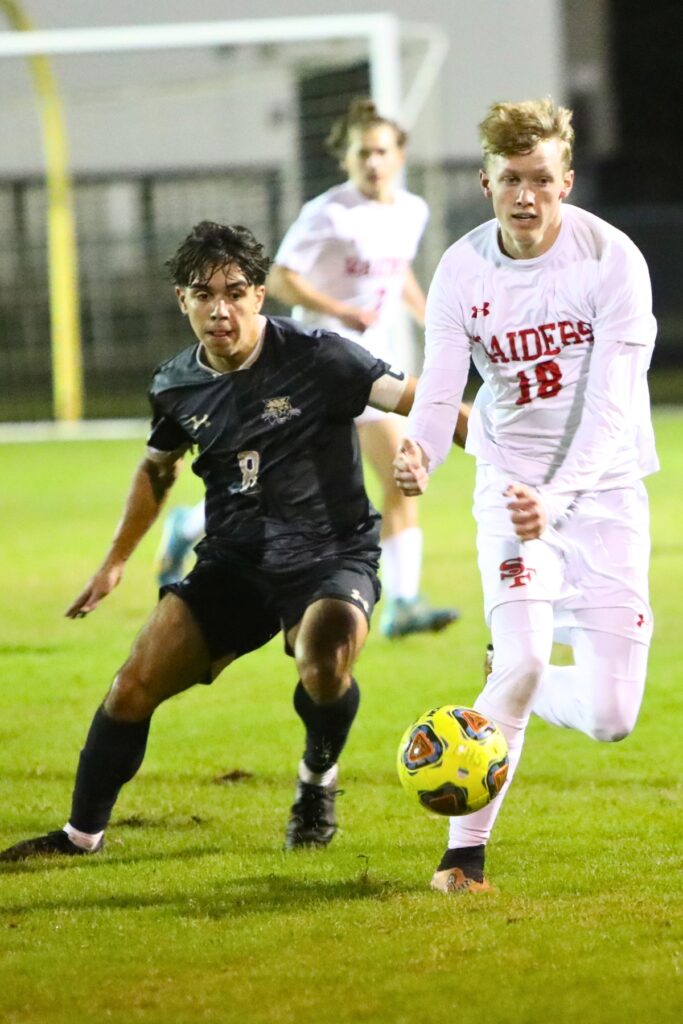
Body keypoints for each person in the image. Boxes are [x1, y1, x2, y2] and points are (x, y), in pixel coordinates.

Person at [0, 221, 467, 863]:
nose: (220, 308)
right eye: (203, 293)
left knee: (325, 660)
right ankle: (80, 837)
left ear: (259, 296)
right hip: (235, 563)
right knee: (133, 685)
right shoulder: (175, 384)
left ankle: (316, 779)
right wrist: (115, 563)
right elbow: (156, 469)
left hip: (331, 556)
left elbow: (423, 400)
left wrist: (490, 459)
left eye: (235, 291)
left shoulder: (320, 356)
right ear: (181, 300)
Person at [394, 98, 658, 893]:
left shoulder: (612, 261)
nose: (525, 195)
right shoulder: (461, 272)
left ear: (565, 182)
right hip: (510, 494)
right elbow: (441, 393)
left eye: (540, 179)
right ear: (485, 182)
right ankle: (461, 858)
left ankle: (520, 678)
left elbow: (612, 407)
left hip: (604, 497)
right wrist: (421, 454)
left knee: (612, 717)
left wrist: (562, 496)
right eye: (510, 178)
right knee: (522, 660)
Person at [158, 97, 460, 640]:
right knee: (286, 490)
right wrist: (343, 311)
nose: (372, 162)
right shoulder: (329, 212)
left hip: (371, 370)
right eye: (361, 152)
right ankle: (191, 523)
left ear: (400, 155)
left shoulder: (412, 210)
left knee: (399, 473)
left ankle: (405, 600)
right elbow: (282, 277)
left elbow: (398, 277)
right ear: (345, 157)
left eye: (382, 152)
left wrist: (433, 319)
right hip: (315, 371)